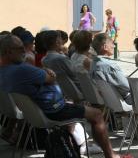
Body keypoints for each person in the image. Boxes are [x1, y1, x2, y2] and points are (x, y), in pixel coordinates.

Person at [0, 34, 129, 158]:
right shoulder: (23, 69)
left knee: (79, 106)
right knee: (97, 115)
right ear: (7, 52)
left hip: (37, 111)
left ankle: (80, 144)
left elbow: (47, 76)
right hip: (54, 110)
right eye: (20, 48)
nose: (25, 50)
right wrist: (48, 75)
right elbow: (50, 77)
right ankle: (110, 154)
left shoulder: (5, 70)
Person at [41, 30, 102, 155]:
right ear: (57, 42)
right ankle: (88, 142)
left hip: (63, 92)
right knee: (101, 105)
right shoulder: (61, 58)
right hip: (76, 91)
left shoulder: (45, 59)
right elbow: (75, 74)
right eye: (60, 40)